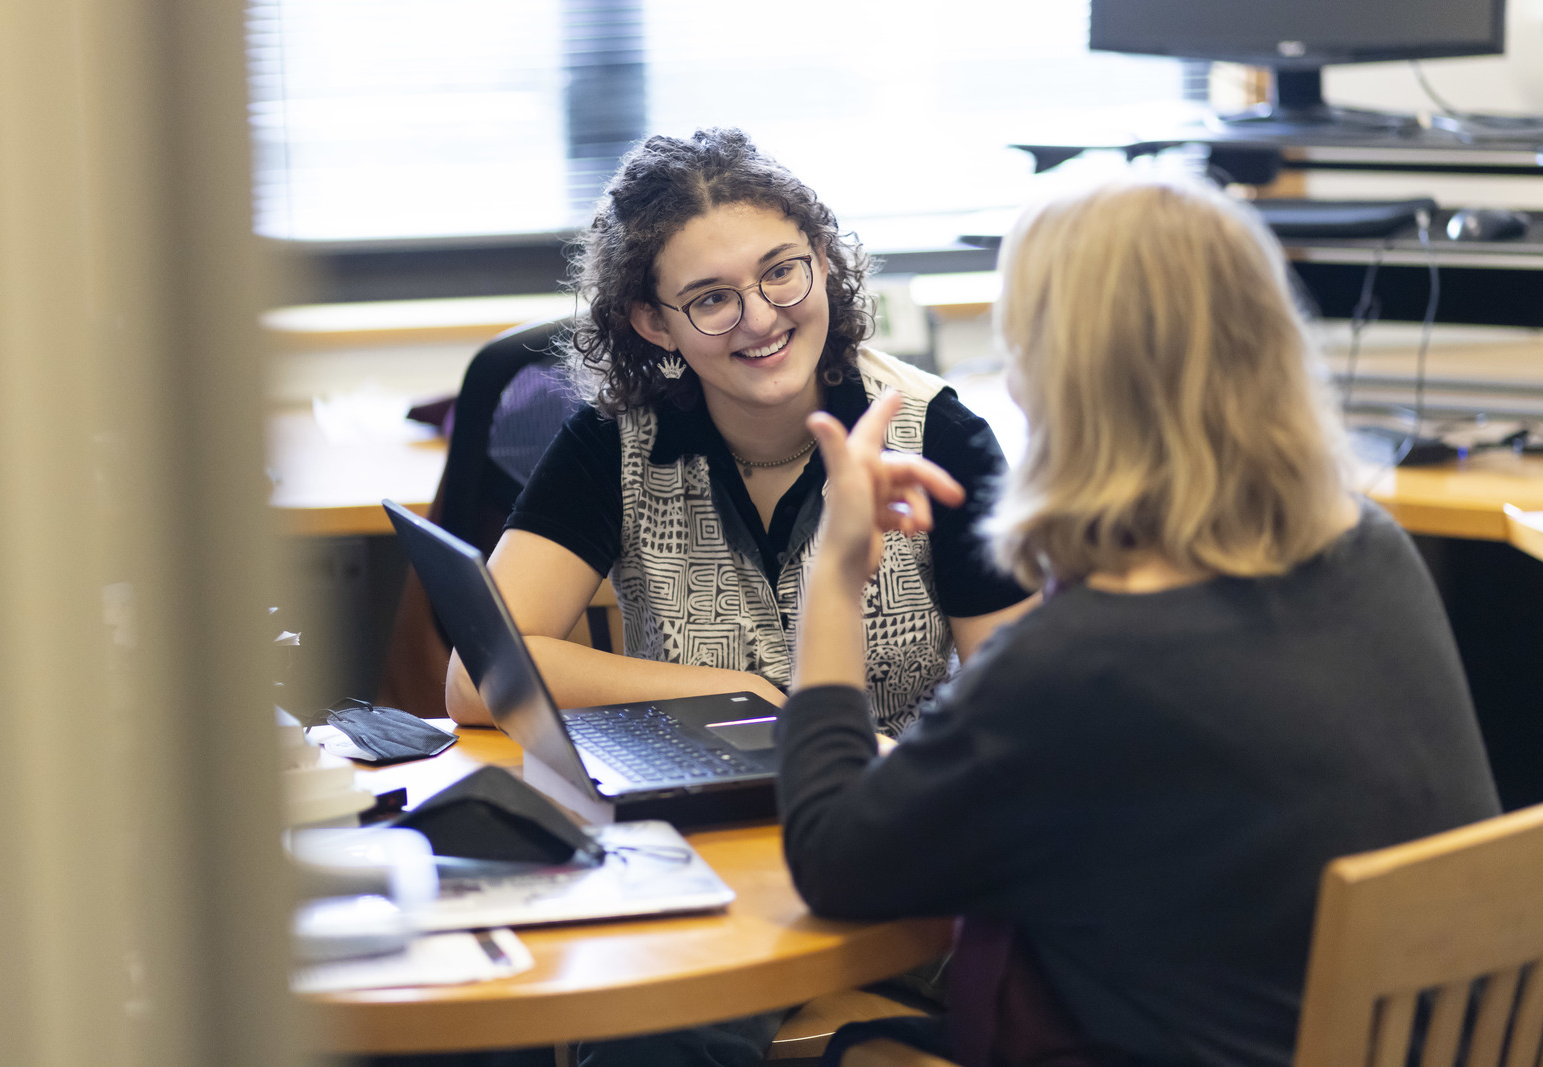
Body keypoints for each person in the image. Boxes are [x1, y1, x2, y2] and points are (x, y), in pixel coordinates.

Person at [779, 176, 1501, 1067]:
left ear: (1055, 377)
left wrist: (839, 574)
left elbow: (831, 858)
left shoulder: (1081, 660)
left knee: (829, 1051)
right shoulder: (1372, 550)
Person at [445, 127, 1027, 735]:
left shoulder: (940, 436)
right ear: (654, 322)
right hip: (694, 806)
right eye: (711, 298)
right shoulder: (613, 445)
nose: (760, 318)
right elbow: (476, 679)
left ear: (822, 261)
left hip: (889, 803)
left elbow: (1019, 708)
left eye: (780, 271)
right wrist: (741, 693)